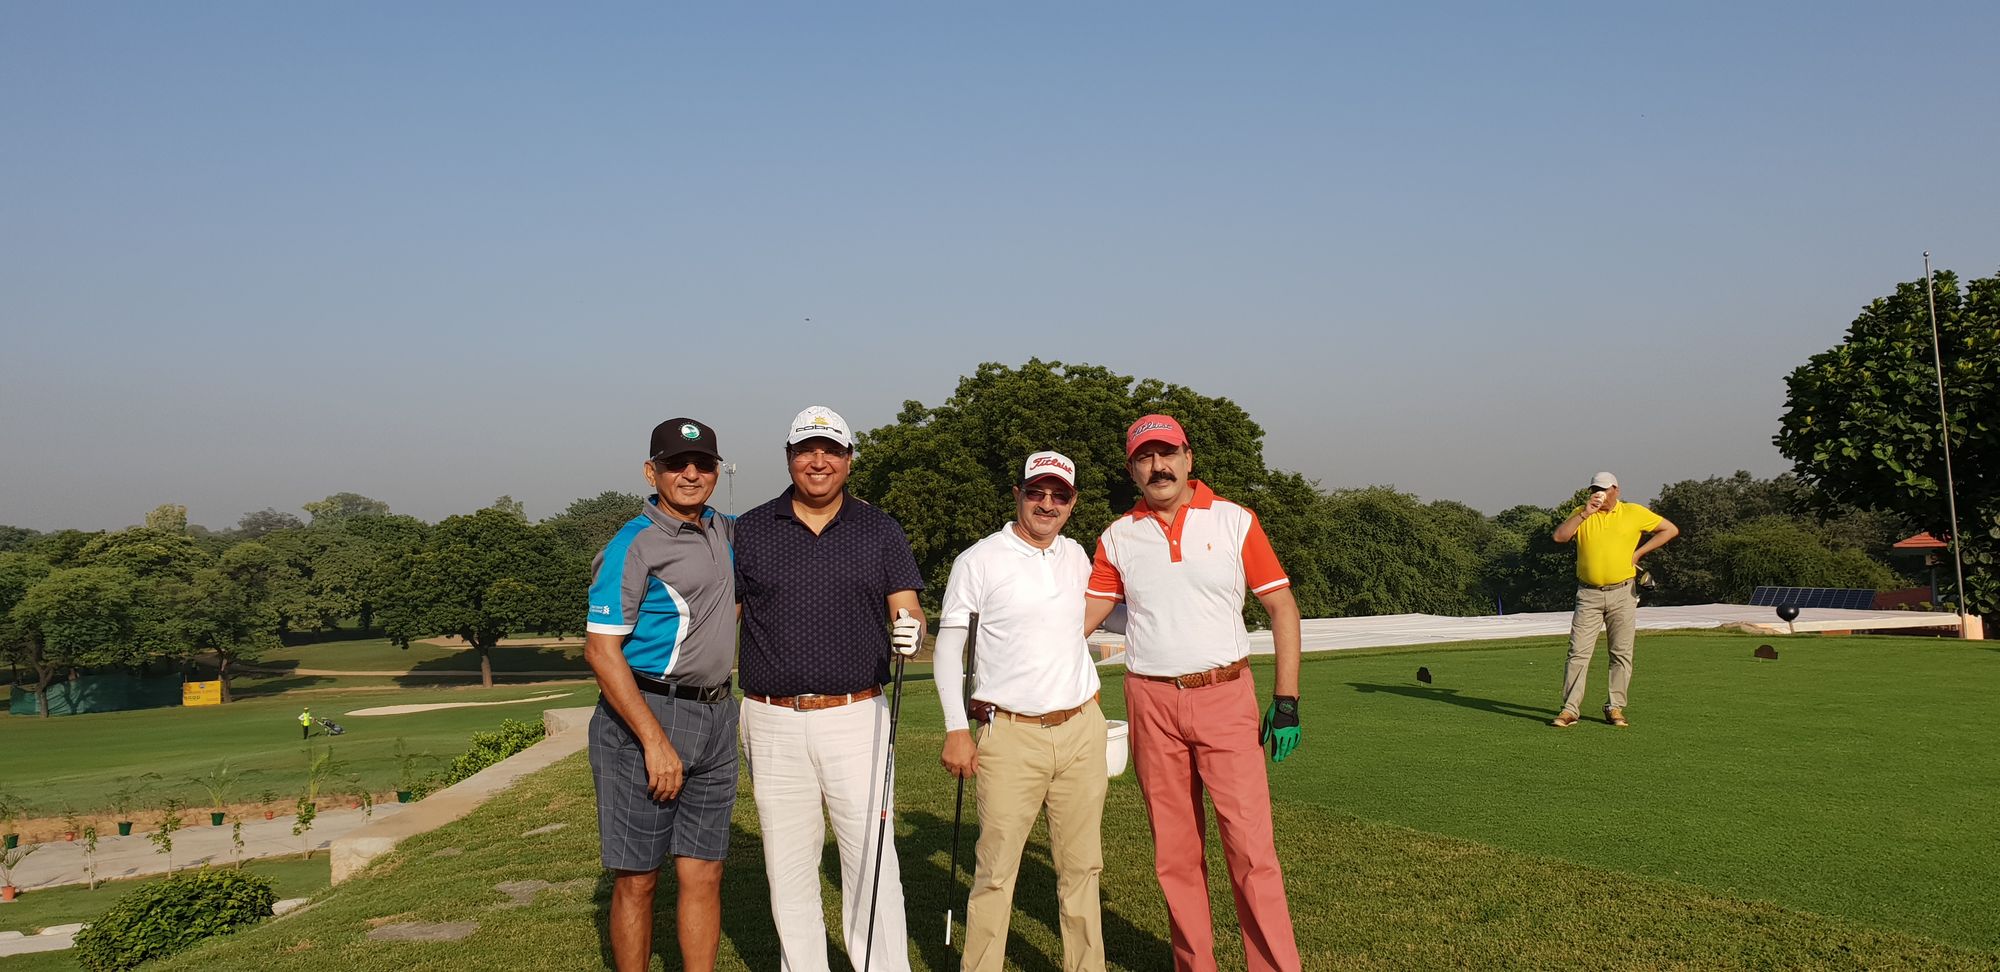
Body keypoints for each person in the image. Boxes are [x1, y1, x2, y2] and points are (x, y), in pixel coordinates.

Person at [1082, 414, 1303, 972]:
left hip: (1225, 695)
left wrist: (1287, 701)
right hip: (1150, 701)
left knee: (1251, 849)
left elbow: (1281, 607)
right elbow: (1084, 618)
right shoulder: (1116, 536)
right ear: (1132, 469)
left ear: (1188, 459)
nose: (1158, 467)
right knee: (1175, 854)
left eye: (1167, 454)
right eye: (1145, 457)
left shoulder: (1234, 520)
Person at [735, 405, 927, 972]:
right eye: (806, 450)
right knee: (788, 865)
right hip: (771, 717)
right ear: (789, 457)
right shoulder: (750, 529)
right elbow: (726, 619)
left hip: (856, 714)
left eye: (831, 450)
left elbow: (907, 609)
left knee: (872, 858)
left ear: (848, 459)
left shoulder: (880, 528)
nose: (818, 461)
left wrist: (912, 631)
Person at [936, 450, 1107, 972]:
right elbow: (949, 648)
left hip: (1081, 728)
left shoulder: (1077, 556)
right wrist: (956, 728)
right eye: (1037, 492)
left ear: (1073, 503)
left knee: (1082, 868)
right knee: (995, 871)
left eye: (1060, 495)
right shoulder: (979, 560)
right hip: (1009, 734)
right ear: (1018, 494)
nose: (1047, 504)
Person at [583, 418, 740, 972]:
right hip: (646, 716)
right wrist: (653, 741)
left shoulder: (725, 530)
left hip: (718, 714)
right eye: (676, 464)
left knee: (705, 871)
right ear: (652, 472)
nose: (690, 474)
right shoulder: (633, 544)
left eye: (703, 464)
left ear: (717, 472)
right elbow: (601, 651)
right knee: (638, 877)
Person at [1549, 471, 1680, 728]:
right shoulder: (1582, 513)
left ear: (1616, 490)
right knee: (1578, 653)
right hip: (1588, 594)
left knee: (1621, 652)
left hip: (1623, 592)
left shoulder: (1633, 512)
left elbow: (1669, 529)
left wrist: (1638, 554)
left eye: (1604, 489)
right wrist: (1585, 513)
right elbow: (1559, 537)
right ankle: (1570, 709)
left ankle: (1615, 706)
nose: (1598, 494)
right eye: (1594, 489)